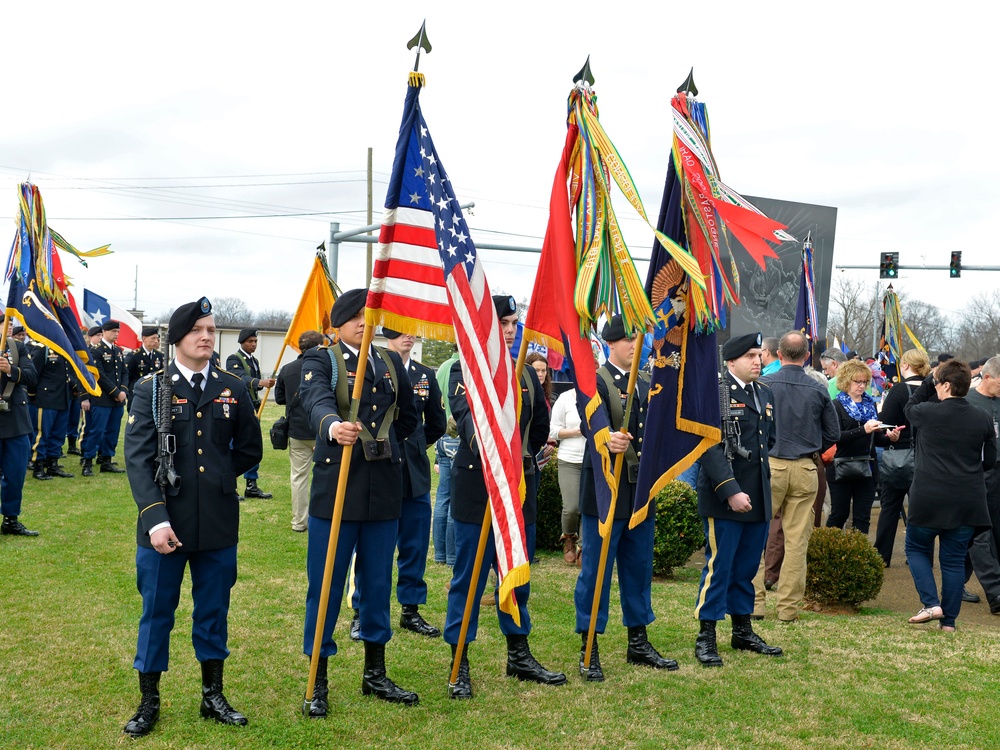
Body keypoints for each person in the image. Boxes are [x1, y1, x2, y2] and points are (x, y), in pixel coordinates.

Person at [122, 297, 262, 737]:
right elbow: (139, 460)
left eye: (211, 329)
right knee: (157, 610)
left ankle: (212, 695)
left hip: (217, 520)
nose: (206, 337)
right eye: (198, 330)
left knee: (214, 610)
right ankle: (149, 700)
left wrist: (218, 478)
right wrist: (155, 518)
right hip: (166, 522)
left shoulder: (232, 386)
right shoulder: (152, 388)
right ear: (179, 339)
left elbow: (248, 449)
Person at [299, 289, 419, 715]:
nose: (364, 325)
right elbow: (314, 401)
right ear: (339, 322)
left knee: (377, 584)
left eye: (370, 318)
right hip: (338, 491)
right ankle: (318, 679)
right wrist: (332, 426)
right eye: (357, 318)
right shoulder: (323, 359)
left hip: (383, 488)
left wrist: (385, 444)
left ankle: (375, 673)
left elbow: (409, 414)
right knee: (327, 586)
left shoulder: (387, 361)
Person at [444, 294, 565, 699]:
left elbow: (538, 427)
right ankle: (459, 661)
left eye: (514, 323)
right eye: (504, 324)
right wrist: (493, 448)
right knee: (470, 579)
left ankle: (519, 653)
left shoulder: (527, 375)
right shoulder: (467, 368)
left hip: (518, 492)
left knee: (517, 575)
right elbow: (466, 420)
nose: (511, 330)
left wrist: (517, 462)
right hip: (478, 489)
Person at [575, 315, 678, 682]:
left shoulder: (647, 382)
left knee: (638, 568)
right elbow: (592, 423)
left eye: (639, 339)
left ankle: (638, 640)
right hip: (606, 489)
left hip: (637, 491)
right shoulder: (595, 382)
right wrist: (606, 438)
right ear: (611, 343)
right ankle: (590, 645)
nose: (636, 345)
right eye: (628, 340)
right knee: (597, 572)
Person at [348, 327, 447, 638]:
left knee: (415, 544)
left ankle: (411, 609)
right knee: (370, 546)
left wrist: (414, 445)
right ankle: (361, 611)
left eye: (412, 333)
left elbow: (436, 423)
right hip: (378, 468)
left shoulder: (423, 374)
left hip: (413, 470)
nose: (408, 337)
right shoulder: (370, 367)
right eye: (401, 332)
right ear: (386, 335)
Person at [694, 333, 782, 666]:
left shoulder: (764, 393)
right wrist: (731, 490)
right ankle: (706, 636)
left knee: (746, 568)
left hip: (757, 492)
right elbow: (707, 447)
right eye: (750, 356)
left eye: (759, 355)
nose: (757, 361)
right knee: (720, 568)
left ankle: (742, 631)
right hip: (724, 495)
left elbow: (767, 440)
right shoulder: (716, 395)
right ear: (731, 361)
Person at [752, 331, 840, 623]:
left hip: (771, 465)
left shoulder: (763, 384)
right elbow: (833, 434)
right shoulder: (817, 388)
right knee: (797, 541)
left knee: (756, 534)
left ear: (778, 355)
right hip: (805, 467)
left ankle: (754, 604)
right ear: (806, 357)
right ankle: (787, 609)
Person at [903, 359, 996, 631]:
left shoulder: (928, 412)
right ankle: (950, 623)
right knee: (953, 561)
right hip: (966, 497)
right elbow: (989, 460)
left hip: (928, 496)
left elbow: (909, 407)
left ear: (944, 385)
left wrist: (928, 382)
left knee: (917, 548)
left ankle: (931, 603)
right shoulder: (982, 417)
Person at [825, 359, 900, 535]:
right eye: (857, 381)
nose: (861, 386)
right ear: (846, 381)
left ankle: (859, 559)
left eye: (865, 382)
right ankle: (829, 556)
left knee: (862, 517)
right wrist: (862, 430)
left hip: (867, 467)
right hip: (841, 466)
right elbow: (835, 437)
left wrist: (890, 438)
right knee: (839, 514)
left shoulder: (870, 405)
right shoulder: (836, 405)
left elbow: (876, 439)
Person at [873, 348, 930, 566]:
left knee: (890, 507)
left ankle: (882, 557)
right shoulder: (933, 391)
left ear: (904, 365)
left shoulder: (898, 391)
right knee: (922, 510)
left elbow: (883, 426)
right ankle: (920, 555)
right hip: (927, 458)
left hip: (899, 456)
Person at [274, 330, 324, 532]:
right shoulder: (328, 368)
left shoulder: (287, 369)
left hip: (298, 431)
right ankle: (322, 519)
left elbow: (279, 398)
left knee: (299, 478)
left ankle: (299, 522)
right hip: (322, 429)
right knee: (325, 477)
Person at [962, 355, 1000, 614]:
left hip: (998, 475)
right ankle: (996, 591)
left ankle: (956, 583)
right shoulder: (966, 402)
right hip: (975, 475)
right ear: (987, 378)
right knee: (979, 534)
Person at [0, 314, 40, 537]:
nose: (5, 329)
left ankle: (10, 519)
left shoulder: (17, 348)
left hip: (15, 420)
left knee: (15, 474)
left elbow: (32, 377)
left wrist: (10, 370)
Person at [227, 328, 275, 500]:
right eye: (250, 341)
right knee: (233, 446)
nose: (253, 344)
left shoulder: (253, 360)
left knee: (252, 445)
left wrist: (263, 384)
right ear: (242, 342)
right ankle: (230, 484)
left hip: (253, 407)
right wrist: (259, 382)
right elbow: (238, 377)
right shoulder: (234, 359)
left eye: (255, 341)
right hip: (237, 408)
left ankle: (251, 485)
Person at [80, 320, 128, 476]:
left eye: (118, 332)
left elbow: (124, 373)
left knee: (113, 431)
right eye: (114, 331)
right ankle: (88, 461)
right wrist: (116, 392)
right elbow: (99, 376)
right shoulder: (96, 351)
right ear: (105, 332)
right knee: (97, 431)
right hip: (102, 399)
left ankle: (107, 460)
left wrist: (123, 391)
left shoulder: (118, 351)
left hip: (118, 400)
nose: (116, 334)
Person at [28, 340, 80, 480]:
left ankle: (53, 464)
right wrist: (33, 396)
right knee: (42, 434)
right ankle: (38, 466)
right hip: (46, 398)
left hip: (63, 398)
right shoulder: (42, 349)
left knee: (58, 434)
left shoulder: (64, 349)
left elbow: (68, 374)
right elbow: (33, 375)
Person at [550, 386, 585, 565]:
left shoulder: (603, 396)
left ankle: (584, 546)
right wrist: (576, 431)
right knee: (571, 508)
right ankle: (569, 537)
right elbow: (553, 430)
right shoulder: (565, 398)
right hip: (569, 459)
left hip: (594, 460)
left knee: (590, 506)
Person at [433, 345, 460, 566]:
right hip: (459, 435)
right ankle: (451, 556)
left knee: (443, 497)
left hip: (442, 437)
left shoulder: (442, 367)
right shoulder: (464, 367)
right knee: (456, 498)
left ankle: (440, 553)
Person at [125, 326, 165, 409]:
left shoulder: (159, 356)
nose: (156, 341)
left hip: (154, 394)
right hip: (137, 394)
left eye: (157, 338)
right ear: (144, 339)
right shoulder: (134, 356)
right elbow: (127, 375)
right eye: (153, 338)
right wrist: (129, 392)